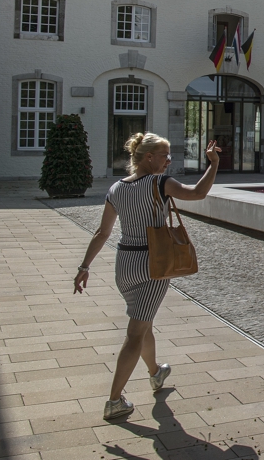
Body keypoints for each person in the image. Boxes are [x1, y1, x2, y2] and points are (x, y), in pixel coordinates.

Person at [73, 132, 221, 421]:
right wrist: (213, 164)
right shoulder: (159, 183)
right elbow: (197, 193)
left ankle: (155, 372)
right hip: (154, 265)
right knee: (134, 334)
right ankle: (114, 401)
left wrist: (84, 267)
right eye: (165, 155)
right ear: (148, 157)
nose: (168, 161)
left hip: (125, 264)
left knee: (143, 322)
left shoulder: (116, 188)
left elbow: (102, 233)